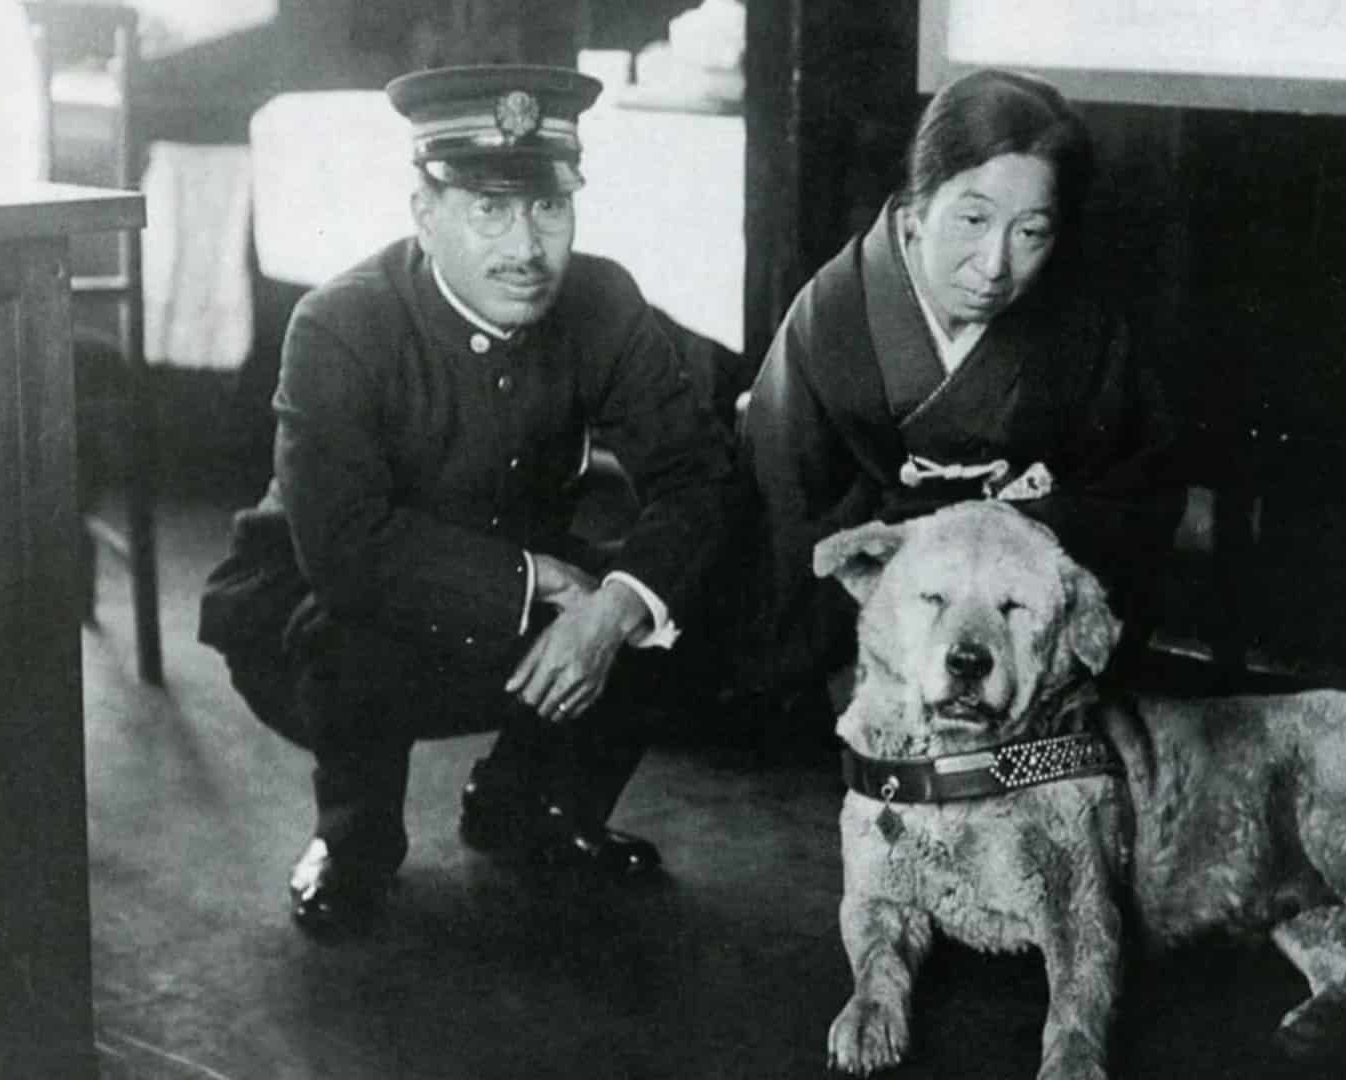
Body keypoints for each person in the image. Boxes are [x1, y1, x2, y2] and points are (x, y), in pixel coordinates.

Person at [198, 65, 735, 936]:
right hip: (317, 612)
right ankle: (354, 839)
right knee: (354, 635)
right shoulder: (342, 324)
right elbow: (344, 549)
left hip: (513, 604)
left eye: (549, 209)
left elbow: (698, 477)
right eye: (489, 209)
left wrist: (610, 613)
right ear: (425, 212)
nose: (526, 247)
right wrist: (533, 582)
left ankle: (531, 805)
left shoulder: (603, 300)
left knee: (677, 591)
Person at [739, 68, 1183, 708]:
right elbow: (787, 505)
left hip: (1019, 645)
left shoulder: (1084, 332)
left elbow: (1131, 494)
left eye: (1031, 232)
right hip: (873, 646)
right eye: (973, 218)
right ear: (918, 208)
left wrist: (1020, 532)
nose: (996, 264)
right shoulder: (833, 317)